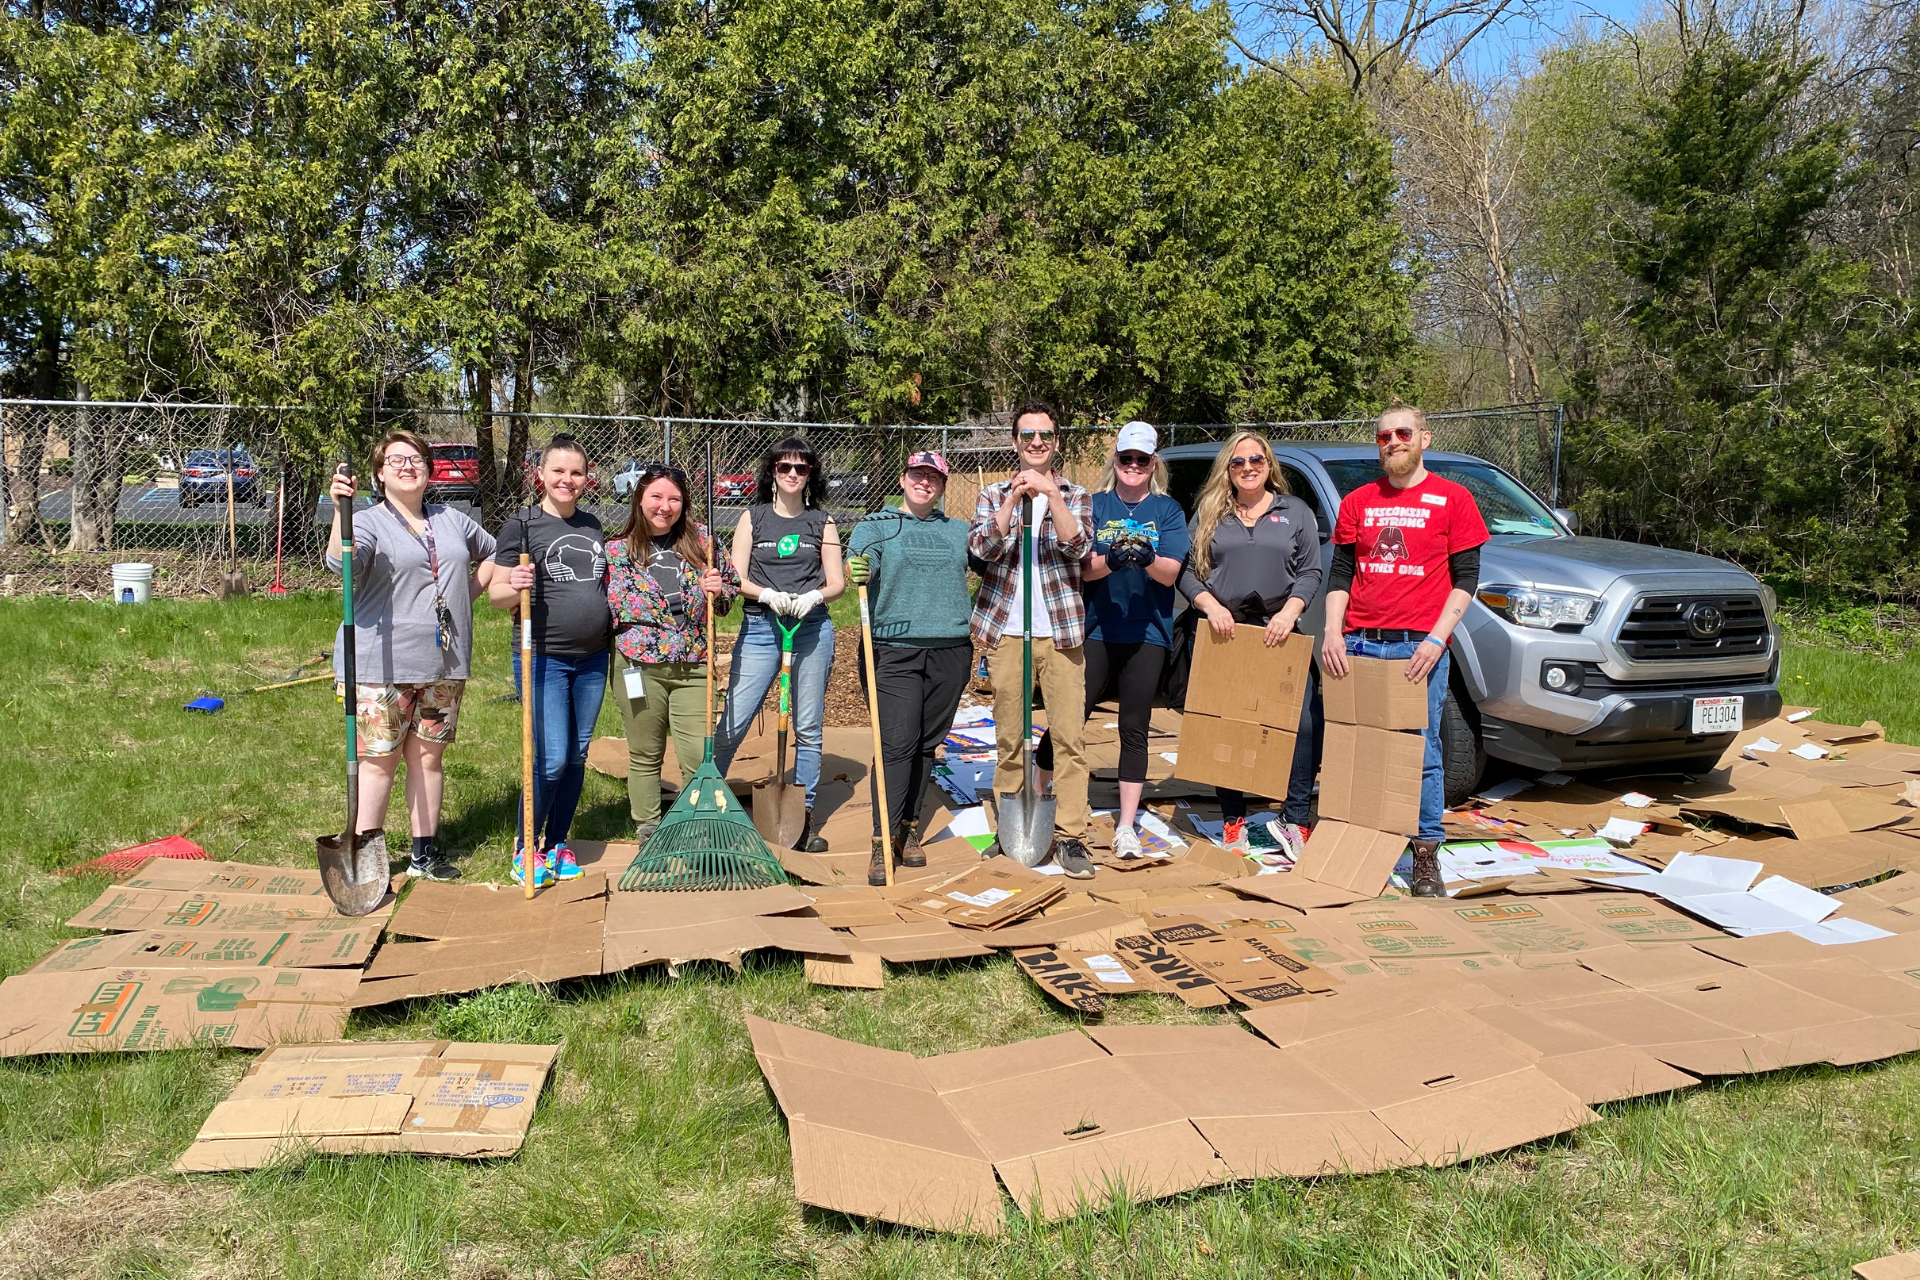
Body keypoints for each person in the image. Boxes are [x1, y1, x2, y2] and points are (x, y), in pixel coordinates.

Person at [1320, 403, 1488, 896]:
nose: (1393, 441)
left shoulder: (1454, 499)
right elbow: (1341, 574)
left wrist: (1438, 639)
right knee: (1359, 747)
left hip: (1420, 650)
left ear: (1424, 439)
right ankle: (1361, 845)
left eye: (1403, 433)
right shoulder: (1358, 502)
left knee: (1422, 752)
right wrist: (1334, 632)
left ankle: (1425, 855)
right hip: (1360, 644)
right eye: (1384, 436)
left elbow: (1467, 580)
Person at [327, 429, 496, 882]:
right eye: (396, 460)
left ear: (429, 470)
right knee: (379, 761)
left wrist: (466, 596)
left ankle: (425, 854)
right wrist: (339, 512)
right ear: (380, 474)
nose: (408, 465)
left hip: (445, 662)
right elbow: (342, 564)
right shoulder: (366, 521)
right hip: (379, 664)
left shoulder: (453, 520)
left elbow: (496, 553)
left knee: (428, 759)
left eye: (416, 458)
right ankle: (365, 856)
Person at [1033, 422, 1188, 860]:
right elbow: (1083, 566)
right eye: (1126, 459)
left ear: (1152, 463)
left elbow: (1172, 572)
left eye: (1142, 460)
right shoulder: (1094, 504)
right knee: (1069, 717)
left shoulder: (1168, 510)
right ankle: (1038, 792)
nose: (1133, 467)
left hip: (1147, 632)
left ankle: (1125, 826)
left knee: (1134, 728)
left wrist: (1148, 557)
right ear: (1115, 461)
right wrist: (1114, 559)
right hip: (1096, 628)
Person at [1178, 431, 1324, 858]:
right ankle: (1233, 817)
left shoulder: (1294, 511)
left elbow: (1311, 572)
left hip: (1279, 629)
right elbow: (1186, 572)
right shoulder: (1208, 514)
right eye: (1238, 462)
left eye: (1256, 460)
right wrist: (1209, 606)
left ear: (1268, 464)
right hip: (1226, 631)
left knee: (1304, 725)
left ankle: (1296, 819)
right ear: (1228, 468)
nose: (1247, 468)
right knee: (1228, 727)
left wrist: (1289, 612)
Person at [968, 399, 1096, 877]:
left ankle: (1071, 836)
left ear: (1056, 442)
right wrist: (1012, 500)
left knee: (1068, 737)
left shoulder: (1077, 494)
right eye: (1027, 436)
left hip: (1060, 633)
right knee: (1009, 737)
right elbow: (982, 547)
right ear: (1015, 442)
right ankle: (1010, 832)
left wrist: (1052, 497)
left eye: (1045, 435)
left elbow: (1079, 546)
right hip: (1007, 631)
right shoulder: (992, 493)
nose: (1036, 442)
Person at [488, 435, 611, 888]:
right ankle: (525, 847)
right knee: (553, 758)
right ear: (540, 474)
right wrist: (514, 582)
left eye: (576, 472)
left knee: (577, 756)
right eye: (558, 471)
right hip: (543, 657)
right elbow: (498, 595)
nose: (567, 480)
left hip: (594, 659)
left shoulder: (593, 525)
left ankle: (556, 843)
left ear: (586, 478)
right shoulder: (521, 526)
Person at [846, 451, 973, 885]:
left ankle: (908, 829)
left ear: (942, 485)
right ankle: (882, 840)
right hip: (893, 650)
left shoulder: (959, 532)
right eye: (917, 474)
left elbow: (994, 562)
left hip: (950, 650)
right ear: (903, 479)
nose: (924, 482)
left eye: (933, 477)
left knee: (926, 745)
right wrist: (859, 570)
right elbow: (862, 565)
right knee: (896, 744)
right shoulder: (875, 526)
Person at [715, 436, 845, 852]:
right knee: (734, 720)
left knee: (807, 727)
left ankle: (801, 817)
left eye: (801, 468)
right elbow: (736, 578)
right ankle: (706, 803)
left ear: (811, 475)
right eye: (784, 467)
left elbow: (837, 582)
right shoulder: (752, 518)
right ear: (772, 471)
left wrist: (814, 596)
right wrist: (766, 594)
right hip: (760, 627)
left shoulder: (822, 522)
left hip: (810, 630)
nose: (792, 474)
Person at [606, 464, 739, 840]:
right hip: (636, 667)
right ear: (640, 499)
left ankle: (694, 827)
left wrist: (719, 589)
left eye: (674, 499)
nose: (665, 506)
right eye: (657, 497)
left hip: (693, 666)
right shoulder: (615, 551)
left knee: (698, 756)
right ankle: (648, 827)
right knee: (646, 751)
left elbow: (730, 592)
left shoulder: (703, 543)